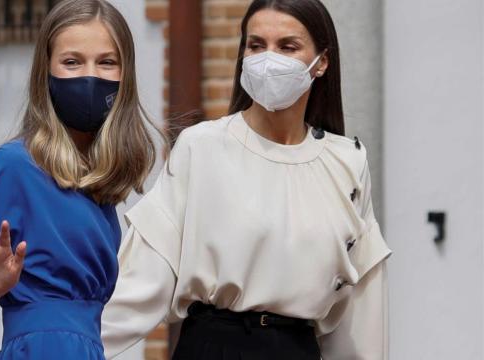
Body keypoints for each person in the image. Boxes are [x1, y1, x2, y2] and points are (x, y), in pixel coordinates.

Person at [101, 0, 392, 359]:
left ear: (322, 62)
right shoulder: (201, 147)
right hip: (212, 346)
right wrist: (66, 347)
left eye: (287, 46)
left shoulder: (347, 162)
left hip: (295, 349)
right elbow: (142, 283)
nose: (268, 59)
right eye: (256, 45)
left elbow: (357, 313)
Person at [0, 1, 161, 358]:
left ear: (126, 75)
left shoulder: (100, 184)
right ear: (46, 71)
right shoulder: (14, 165)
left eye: (107, 62)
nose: (89, 76)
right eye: (72, 61)